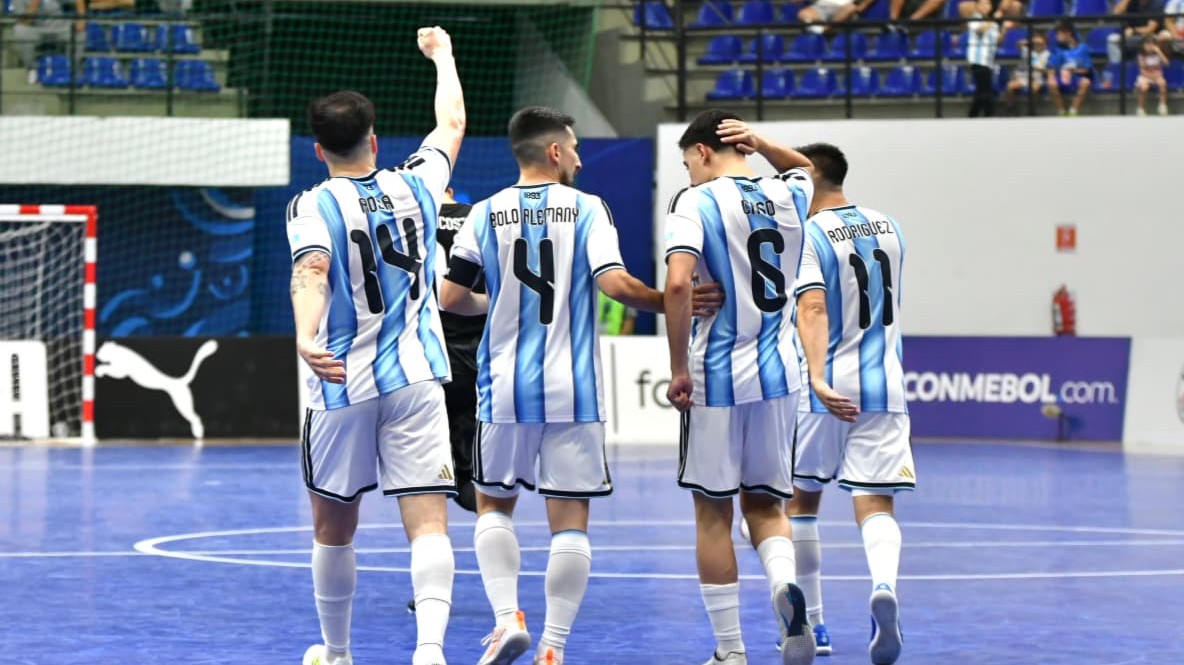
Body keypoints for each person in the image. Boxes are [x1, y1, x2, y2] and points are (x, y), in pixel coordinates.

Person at [440, 106, 681, 665]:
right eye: (572, 147)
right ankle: (554, 649)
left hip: (503, 387)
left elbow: (451, 298)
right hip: (573, 390)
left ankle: (507, 622)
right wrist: (669, 299)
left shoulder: (485, 212)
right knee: (569, 520)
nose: (577, 156)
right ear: (553, 152)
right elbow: (616, 284)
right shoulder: (588, 209)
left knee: (493, 507)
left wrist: (496, 303)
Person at [285, 27, 464, 665]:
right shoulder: (416, 183)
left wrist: (307, 335)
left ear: (316, 149)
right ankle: (431, 651)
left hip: (340, 382)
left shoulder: (311, 204)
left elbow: (311, 271)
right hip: (416, 376)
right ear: (375, 140)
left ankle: (336, 653)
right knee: (429, 523)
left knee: (334, 527)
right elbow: (452, 121)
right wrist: (441, 56)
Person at [663, 110, 821, 665]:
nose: (688, 176)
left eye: (687, 164)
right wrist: (760, 141)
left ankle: (730, 652)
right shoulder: (788, 194)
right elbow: (807, 169)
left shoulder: (696, 202)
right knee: (768, 506)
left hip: (718, 375)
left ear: (703, 152)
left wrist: (678, 365)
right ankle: (783, 584)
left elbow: (679, 283)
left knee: (712, 514)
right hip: (781, 373)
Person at [782, 143, 914, 665]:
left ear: (810, 178)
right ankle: (884, 587)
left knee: (800, 503)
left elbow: (812, 306)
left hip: (826, 387)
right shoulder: (889, 226)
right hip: (884, 383)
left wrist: (815, 374)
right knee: (876, 503)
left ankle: (815, 624)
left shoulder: (806, 236)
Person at [435, 186, 482, 512]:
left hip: (431, 349)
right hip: (479, 346)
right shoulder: (479, 217)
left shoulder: (413, 220)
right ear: (450, 190)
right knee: (468, 432)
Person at [12, 0, 85, 82]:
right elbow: (23, 22)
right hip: (35, 29)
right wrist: (35, 4)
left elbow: (79, 1)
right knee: (19, 30)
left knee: (79, 33)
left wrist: (81, 20)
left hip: (60, 27)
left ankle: (73, 68)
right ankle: (32, 69)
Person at [1048, 22, 1094, 116]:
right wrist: (1051, 78)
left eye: (1058, 33)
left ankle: (1073, 111)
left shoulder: (1083, 48)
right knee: (1052, 84)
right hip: (1061, 76)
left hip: (1076, 77)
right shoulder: (1057, 49)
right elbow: (1051, 66)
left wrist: (1072, 71)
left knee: (1086, 82)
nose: (1057, 37)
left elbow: (1087, 69)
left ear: (1068, 33)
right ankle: (1061, 111)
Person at [966, 0, 1001, 117]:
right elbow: (979, 30)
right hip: (978, 59)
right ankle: (989, 115)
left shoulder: (993, 23)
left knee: (981, 90)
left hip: (988, 60)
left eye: (988, 4)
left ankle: (972, 115)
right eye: (983, 3)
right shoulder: (974, 18)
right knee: (986, 90)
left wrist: (1005, 29)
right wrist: (993, 20)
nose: (986, 6)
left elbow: (997, 41)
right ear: (977, 6)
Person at [1004, 33, 1051, 114]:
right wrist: (1032, 40)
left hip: (1037, 78)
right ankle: (1010, 108)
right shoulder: (1027, 51)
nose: (1038, 45)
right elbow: (1018, 44)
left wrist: (1037, 68)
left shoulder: (1047, 54)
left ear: (1045, 44)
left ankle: (1032, 110)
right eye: (1036, 44)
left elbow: (1046, 70)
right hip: (1023, 77)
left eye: (1040, 44)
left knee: (1034, 89)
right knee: (1010, 86)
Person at [1134, 38, 1171, 115]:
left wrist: (1158, 51)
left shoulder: (1158, 55)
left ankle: (1162, 106)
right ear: (1143, 46)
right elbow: (1143, 71)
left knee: (1162, 83)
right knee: (1144, 87)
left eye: (1151, 44)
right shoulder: (1141, 56)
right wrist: (1153, 77)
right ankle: (1140, 108)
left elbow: (1167, 63)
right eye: (1147, 44)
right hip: (1145, 77)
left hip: (1157, 76)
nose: (1149, 46)